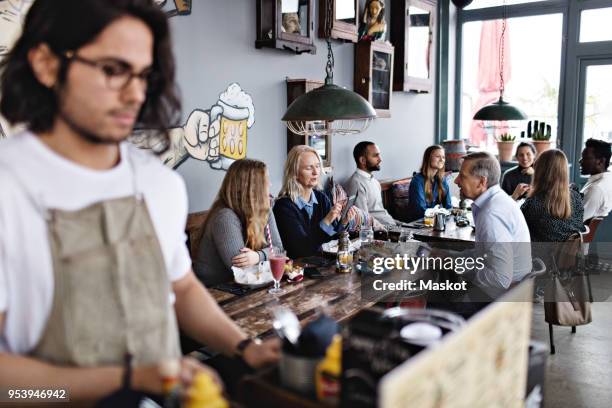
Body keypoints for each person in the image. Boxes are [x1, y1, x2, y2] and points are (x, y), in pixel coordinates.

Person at [0, 1, 278, 404]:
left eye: (144, 75)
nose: (135, 94)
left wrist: (245, 347)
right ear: (45, 64)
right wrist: (128, 379)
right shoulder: (9, 186)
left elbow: (180, 286)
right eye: (112, 70)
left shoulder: (157, 183)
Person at [193, 159, 283, 286]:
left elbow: (280, 250)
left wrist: (258, 256)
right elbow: (242, 273)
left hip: (244, 287)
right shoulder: (224, 217)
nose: (270, 184)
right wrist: (267, 257)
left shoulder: (264, 208)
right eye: (265, 180)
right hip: (216, 292)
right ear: (249, 187)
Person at [454, 152, 532, 290]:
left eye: (462, 176)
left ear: (482, 182)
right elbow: (485, 255)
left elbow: (500, 279)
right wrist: (451, 257)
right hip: (514, 290)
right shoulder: (497, 199)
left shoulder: (490, 214)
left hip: (501, 299)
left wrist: (458, 267)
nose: (456, 181)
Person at [273, 145, 343, 259]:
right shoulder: (283, 207)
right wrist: (326, 221)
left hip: (324, 264)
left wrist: (343, 222)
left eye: (317, 166)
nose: (316, 172)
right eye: (309, 168)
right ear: (294, 173)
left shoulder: (321, 198)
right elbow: (302, 249)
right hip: (297, 270)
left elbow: (334, 238)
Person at [521, 149, 585, 242]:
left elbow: (516, 225)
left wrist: (514, 198)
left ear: (540, 172)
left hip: (538, 255)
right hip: (568, 255)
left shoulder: (534, 203)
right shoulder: (576, 197)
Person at [345, 141, 397, 228]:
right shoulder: (356, 183)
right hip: (382, 232)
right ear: (362, 160)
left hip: (392, 226)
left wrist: (400, 225)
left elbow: (381, 212)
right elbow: (364, 221)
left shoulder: (374, 181)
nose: (380, 159)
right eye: (375, 155)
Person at [406, 145, 452, 222]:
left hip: (435, 221)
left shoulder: (442, 179)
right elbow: (420, 211)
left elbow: (448, 206)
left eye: (443, 157)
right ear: (428, 158)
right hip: (418, 224)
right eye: (438, 156)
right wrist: (440, 214)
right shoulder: (417, 181)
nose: (442, 160)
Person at [579, 138, 612, 221]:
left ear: (600, 161)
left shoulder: (596, 189)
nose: (580, 161)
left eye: (585, 158)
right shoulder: (607, 179)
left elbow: (577, 222)